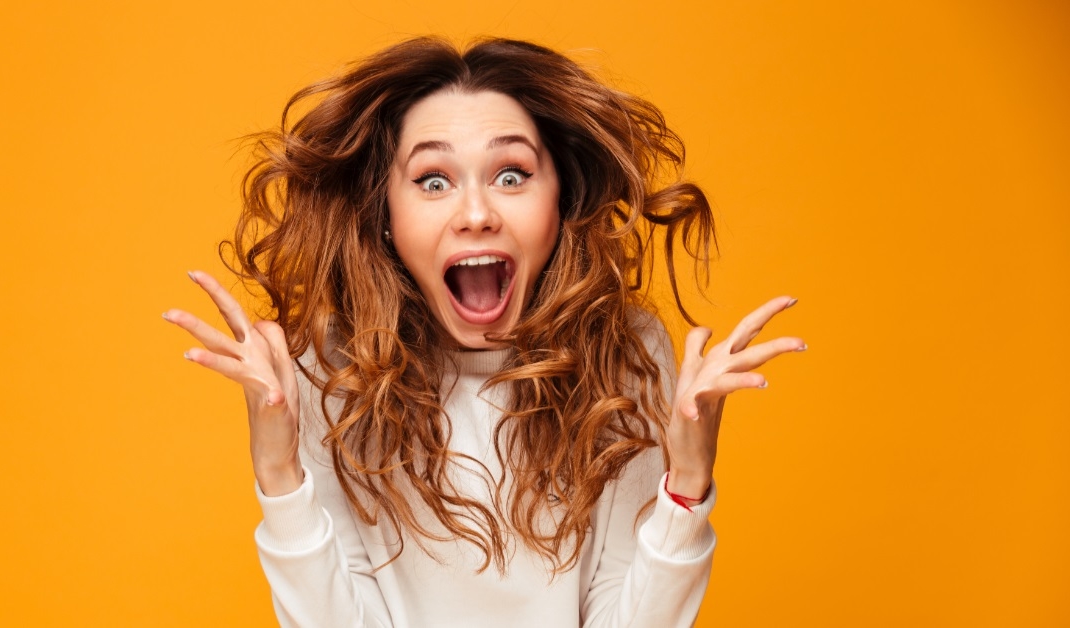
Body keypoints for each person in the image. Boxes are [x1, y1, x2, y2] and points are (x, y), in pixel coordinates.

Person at [164, 37, 803, 627]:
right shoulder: (331, 365)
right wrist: (278, 472)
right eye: (433, 181)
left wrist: (686, 489)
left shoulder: (627, 351)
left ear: (562, 201)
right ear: (385, 212)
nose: (475, 213)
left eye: (511, 175)